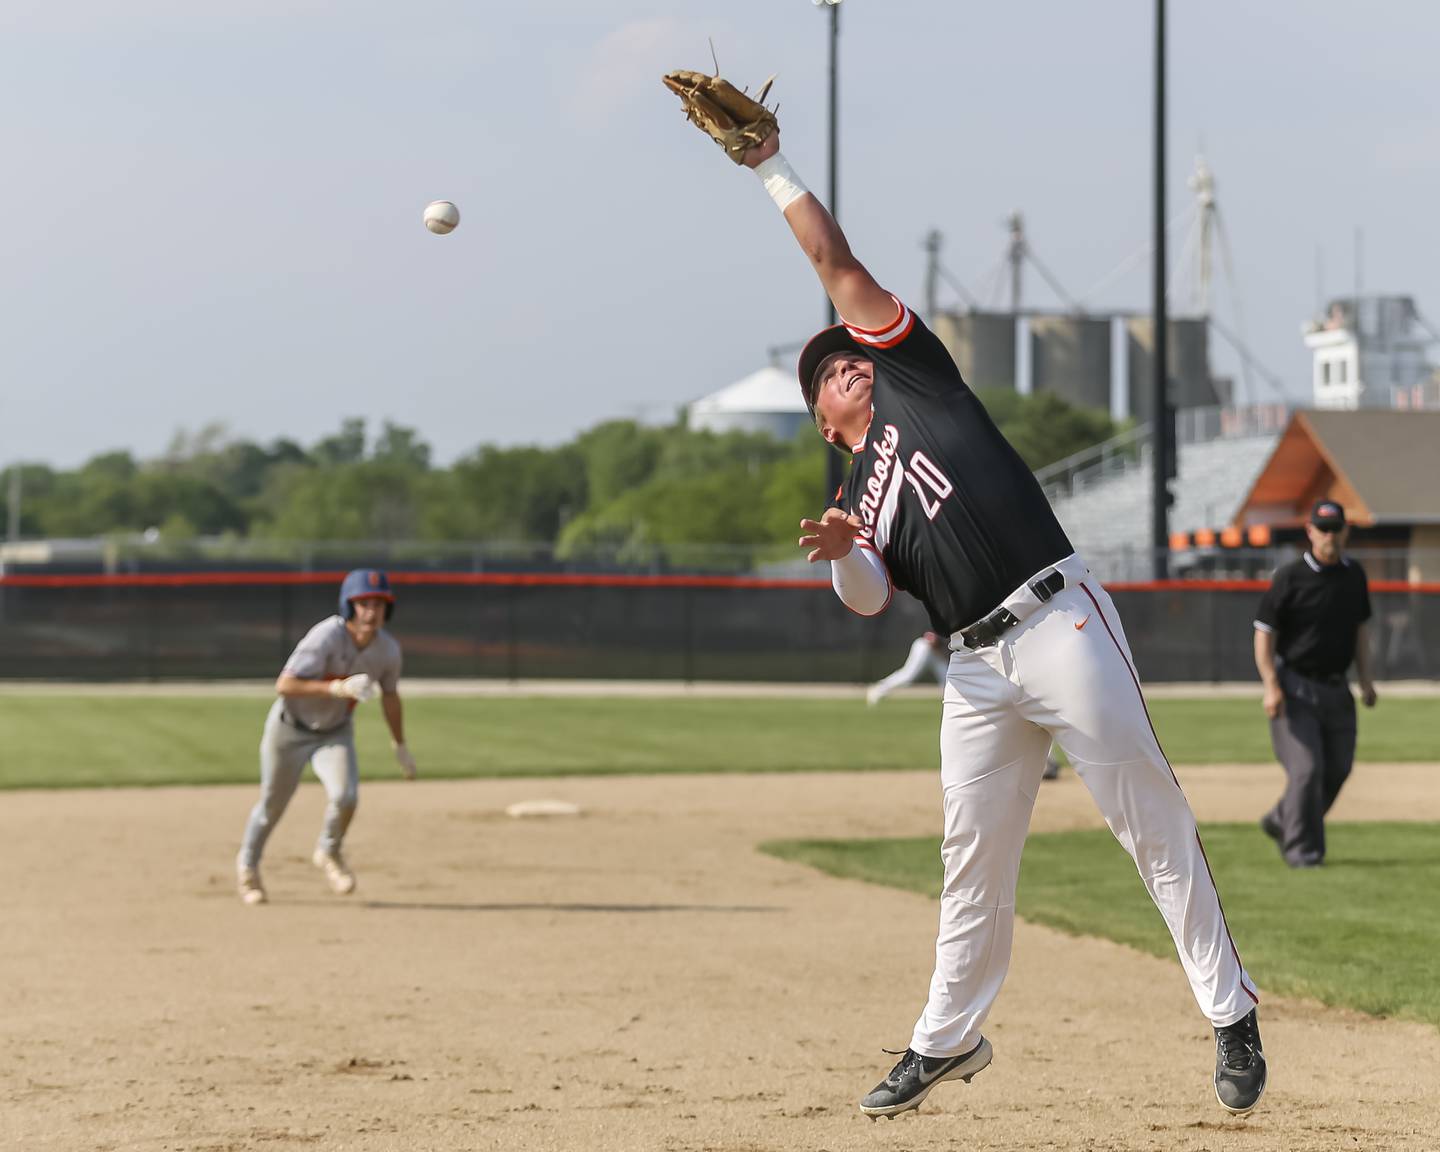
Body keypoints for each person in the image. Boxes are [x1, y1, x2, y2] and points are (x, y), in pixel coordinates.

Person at [677, 113, 1264, 1119]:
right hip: (978, 670)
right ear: (826, 423)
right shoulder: (856, 500)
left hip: (1057, 620)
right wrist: (840, 557)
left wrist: (769, 166)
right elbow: (867, 593)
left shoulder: (914, 377)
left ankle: (1232, 1015)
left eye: (846, 355)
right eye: (829, 372)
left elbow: (833, 257)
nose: (843, 363)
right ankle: (944, 1041)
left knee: (1149, 821)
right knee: (970, 859)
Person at [236, 569, 417, 905]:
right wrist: (334, 688)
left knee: (346, 796)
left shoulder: (388, 651)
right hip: (290, 729)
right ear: (349, 606)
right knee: (271, 806)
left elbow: (390, 695)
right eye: (363, 603)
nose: (371, 611)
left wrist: (400, 744)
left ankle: (329, 851)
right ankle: (248, 869)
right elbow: (284, 685)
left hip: (335, 732)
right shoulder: (325, 637)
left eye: (379, 604)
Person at [1253, 500, 1376, 868]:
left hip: (1338, 689)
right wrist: (1271, 685)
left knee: (1337, 769)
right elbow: (1264, 632)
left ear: (1345, 531)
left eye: (1336, 528)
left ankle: (1281, 819)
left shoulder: (1354, 575)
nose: (1330, 535)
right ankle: (1303, 853)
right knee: (1306, 770)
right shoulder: (1290, 577)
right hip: (1296, 688)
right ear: (1310, 532)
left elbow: (1360, 632)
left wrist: (1366, 681)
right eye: (1322, 528)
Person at [869, 633, 1062, 779]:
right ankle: (878, 690)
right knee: (909, 675)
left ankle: (1044, 761)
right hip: (926, 646)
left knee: (952, 687)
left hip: (951, 653)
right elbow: (935, 637)